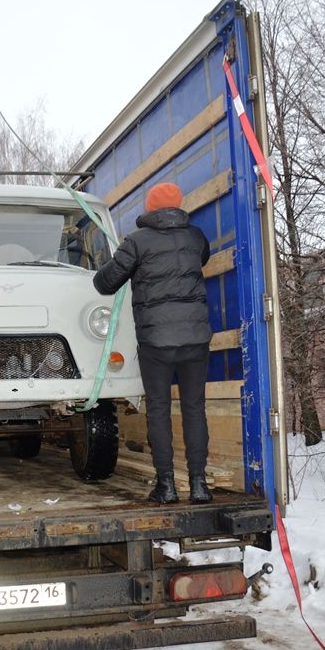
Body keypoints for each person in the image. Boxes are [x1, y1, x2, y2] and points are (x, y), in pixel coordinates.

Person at [92, 182, 214, 504]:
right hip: (196, 339)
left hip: (157, 342)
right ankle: (200, 485)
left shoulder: (136, 242)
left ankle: (167, 485)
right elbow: (201, 258)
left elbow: (105, 283)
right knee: (194, 408)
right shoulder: (195, 237)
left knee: (159, 410)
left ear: (150, 208)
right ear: (177, 205)